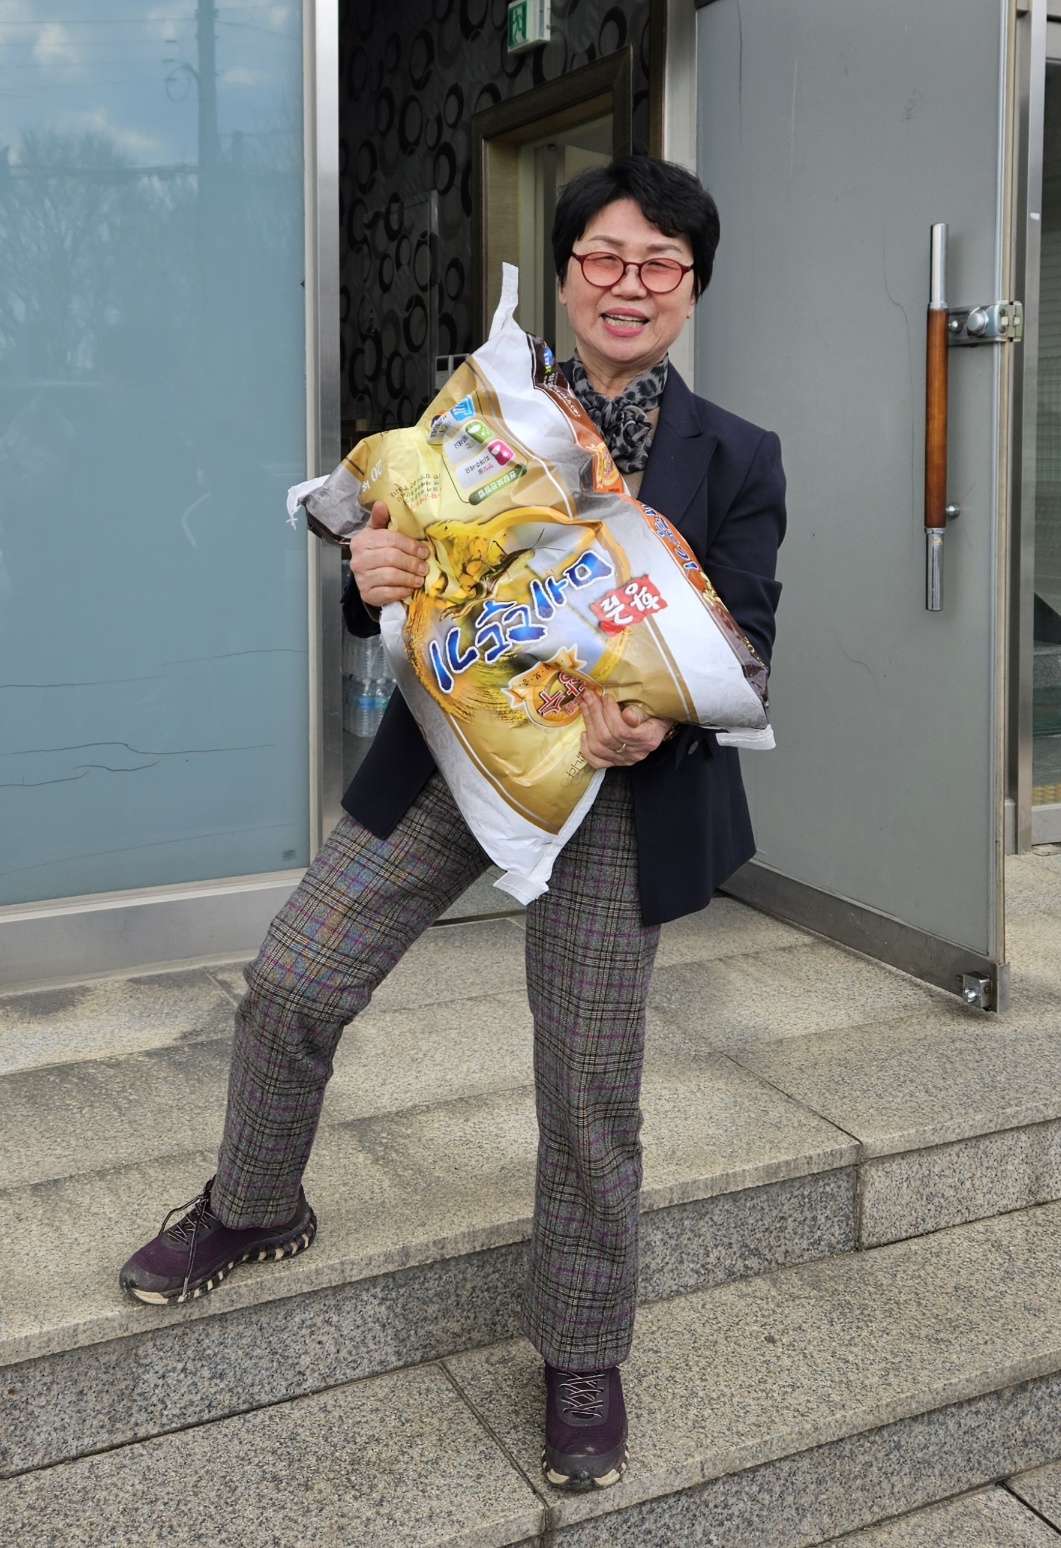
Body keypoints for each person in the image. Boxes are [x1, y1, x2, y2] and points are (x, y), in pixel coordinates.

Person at [118, 155, 786, 1491]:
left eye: (660, 264)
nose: (629, 285)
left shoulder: (738, 455)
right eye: (604, 257)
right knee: (293, 977)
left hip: (613, 789)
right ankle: (255, 1203)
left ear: (693, 288)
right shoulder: (488, 404)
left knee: (588, 1083)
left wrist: (653, 721)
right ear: (566, 271)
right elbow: (387, 549)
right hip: (449, 753)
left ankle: (581, 1348)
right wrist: (365, 569)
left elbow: (746, 646)